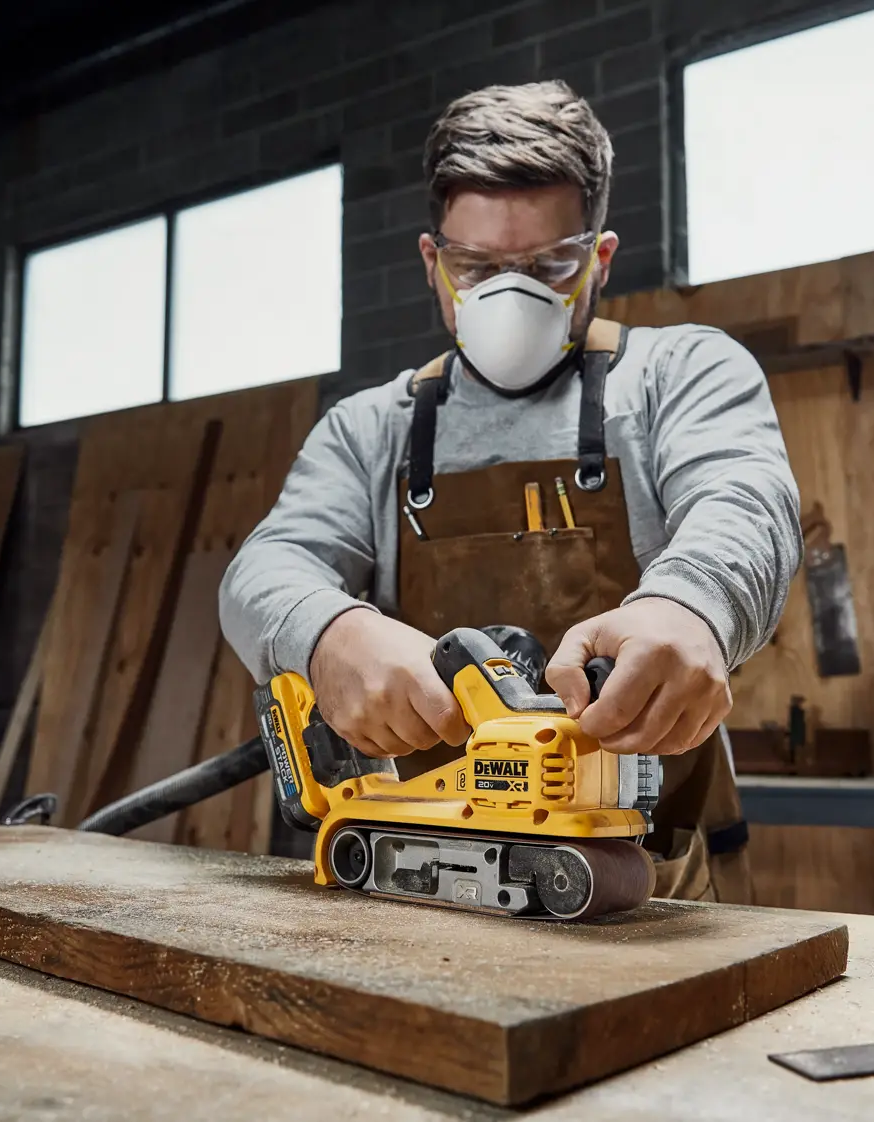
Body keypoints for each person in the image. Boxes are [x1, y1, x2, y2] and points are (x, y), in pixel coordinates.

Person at [219, 80, 801, 901]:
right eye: (477, 267)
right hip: (417, 871)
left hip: (644, 880)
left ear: (597, 259)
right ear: (434, 264)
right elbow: (266, 567)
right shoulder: (370, 428)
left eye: (547, 265)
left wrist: (690, 607)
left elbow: (746, 504)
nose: (509, 293)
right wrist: (330, 633)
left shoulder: (682, 373)